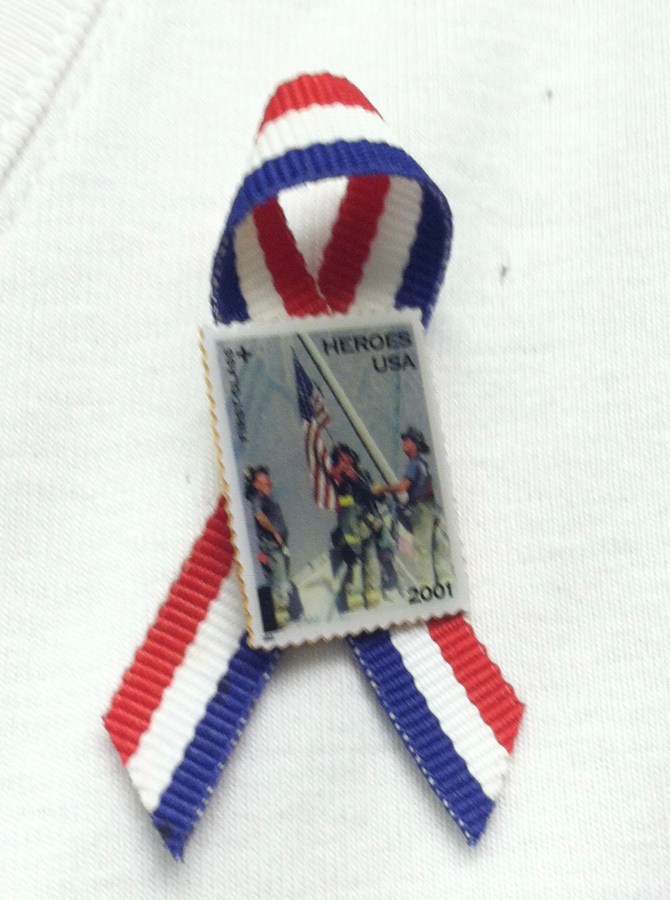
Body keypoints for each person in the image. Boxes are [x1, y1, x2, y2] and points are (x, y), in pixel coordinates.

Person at [373, 427, 452, 587]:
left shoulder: (413, 465)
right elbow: (427, 489)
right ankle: (445, 583)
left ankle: (426, 587)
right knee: (436, 550)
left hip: (420, 511)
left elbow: (403, 487)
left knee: (422, 552)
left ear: (415, 444)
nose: (404, 443)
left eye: (407, 440)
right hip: (431, 509)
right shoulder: (423, 465)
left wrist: (382, 489)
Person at [328, 444, 396, 611]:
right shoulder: (339, 482)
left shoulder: (362, 474)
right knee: (354, 567)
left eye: (348, 457)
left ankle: (374, 602)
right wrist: (349, 479)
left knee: (372, 564)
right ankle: (354, 606)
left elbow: (375, 496)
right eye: (341, 459)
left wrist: (377, 492)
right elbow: (347, 509)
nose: (346, 461)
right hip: (351, 534)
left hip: (369, 528)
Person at [244, 465, 296, 629]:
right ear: (255, 484)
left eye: (267, 480)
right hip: (271, 548)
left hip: (279, 547)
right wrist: (275, 533)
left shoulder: (268, 499)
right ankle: (283, 623)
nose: (268, 482)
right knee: (280, 585)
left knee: (283, 582)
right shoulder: (257, 498)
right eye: (263, 480)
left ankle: (284, 619)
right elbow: (259, 516)